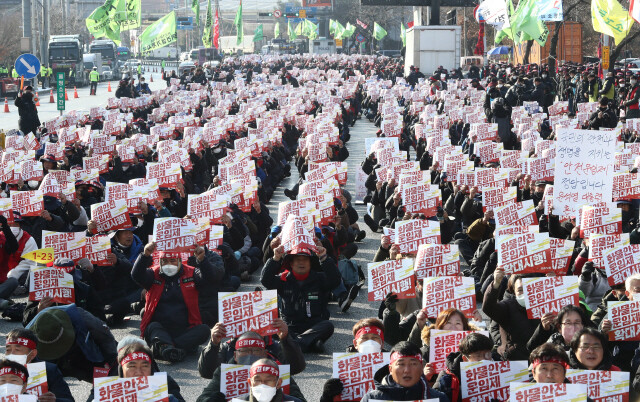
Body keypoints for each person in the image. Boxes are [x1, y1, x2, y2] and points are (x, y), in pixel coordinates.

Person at [132, 242, 222, 362]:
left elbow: (209, 278)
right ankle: (175, 348)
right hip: (160, 328)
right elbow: (136, 274)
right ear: (160, 261)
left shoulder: (191, 273)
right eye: (165, 261)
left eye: (173, 261)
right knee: (153, 327)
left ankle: (165, 347)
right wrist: (145, 254)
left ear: (180, 261)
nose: (169, 264)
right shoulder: (153, 274)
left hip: (184, 330)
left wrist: (202, 259)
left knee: (204, 330)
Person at [261, 242, 341, 353]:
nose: (301, 262)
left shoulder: (319, 278)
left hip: (313, 325)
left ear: (310, 263)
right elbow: (265, 280)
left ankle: (294, 344)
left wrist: (324, 258)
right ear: (291, 264)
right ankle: (310, 344)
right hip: (289, 326)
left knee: (328, 326)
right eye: (298, 259)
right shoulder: (283, 280)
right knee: (271, 326)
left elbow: (335, 280)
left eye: (305, 259)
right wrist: (276, 258)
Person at [25, 305, 118, 383]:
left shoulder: (80, 317)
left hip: (84, 353)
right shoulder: (27, 338)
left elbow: (106, 338)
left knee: (111, 381)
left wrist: (110, 361)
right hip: (54, 362)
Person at [86, 342, 184, 402]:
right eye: (132, 366)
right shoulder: (106, 388)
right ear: (121, 369)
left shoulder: (164, 382)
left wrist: (169, 399)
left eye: (144, 366)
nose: (139, 372)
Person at [482, 267, 539, 360]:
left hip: (540, 357)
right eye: (520, 290)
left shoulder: (545, 305)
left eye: (528, 288)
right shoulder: (508, 306)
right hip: (516, 360)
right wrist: (496, 284)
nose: (525, 293)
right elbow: (489, 308)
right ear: (514, 292)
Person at [360, 341, 449, 401]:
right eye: (401, 364)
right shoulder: (372, 398)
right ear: (390, 369)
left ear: (421, 368)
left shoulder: (439, 398)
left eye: (413, 364)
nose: (407, 370)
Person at [4, 328, 74, 402]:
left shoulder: (49, 371)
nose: (11, 354)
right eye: (8, 350)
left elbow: (69, 400)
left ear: (33, 354)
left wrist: (55, 400)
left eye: (17, 350)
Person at [432, 333, 494, 402]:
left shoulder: (499, 371)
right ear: (465, 359)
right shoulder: (447, 377)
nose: (484, 360)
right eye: (478, 356)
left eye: (488, 354)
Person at [527, 304, 592, 352]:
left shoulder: (591, 344)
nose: (573, 327)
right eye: (568, 323)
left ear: (583, 326)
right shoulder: (552, 343)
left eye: (577, 323)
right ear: (559, 328)